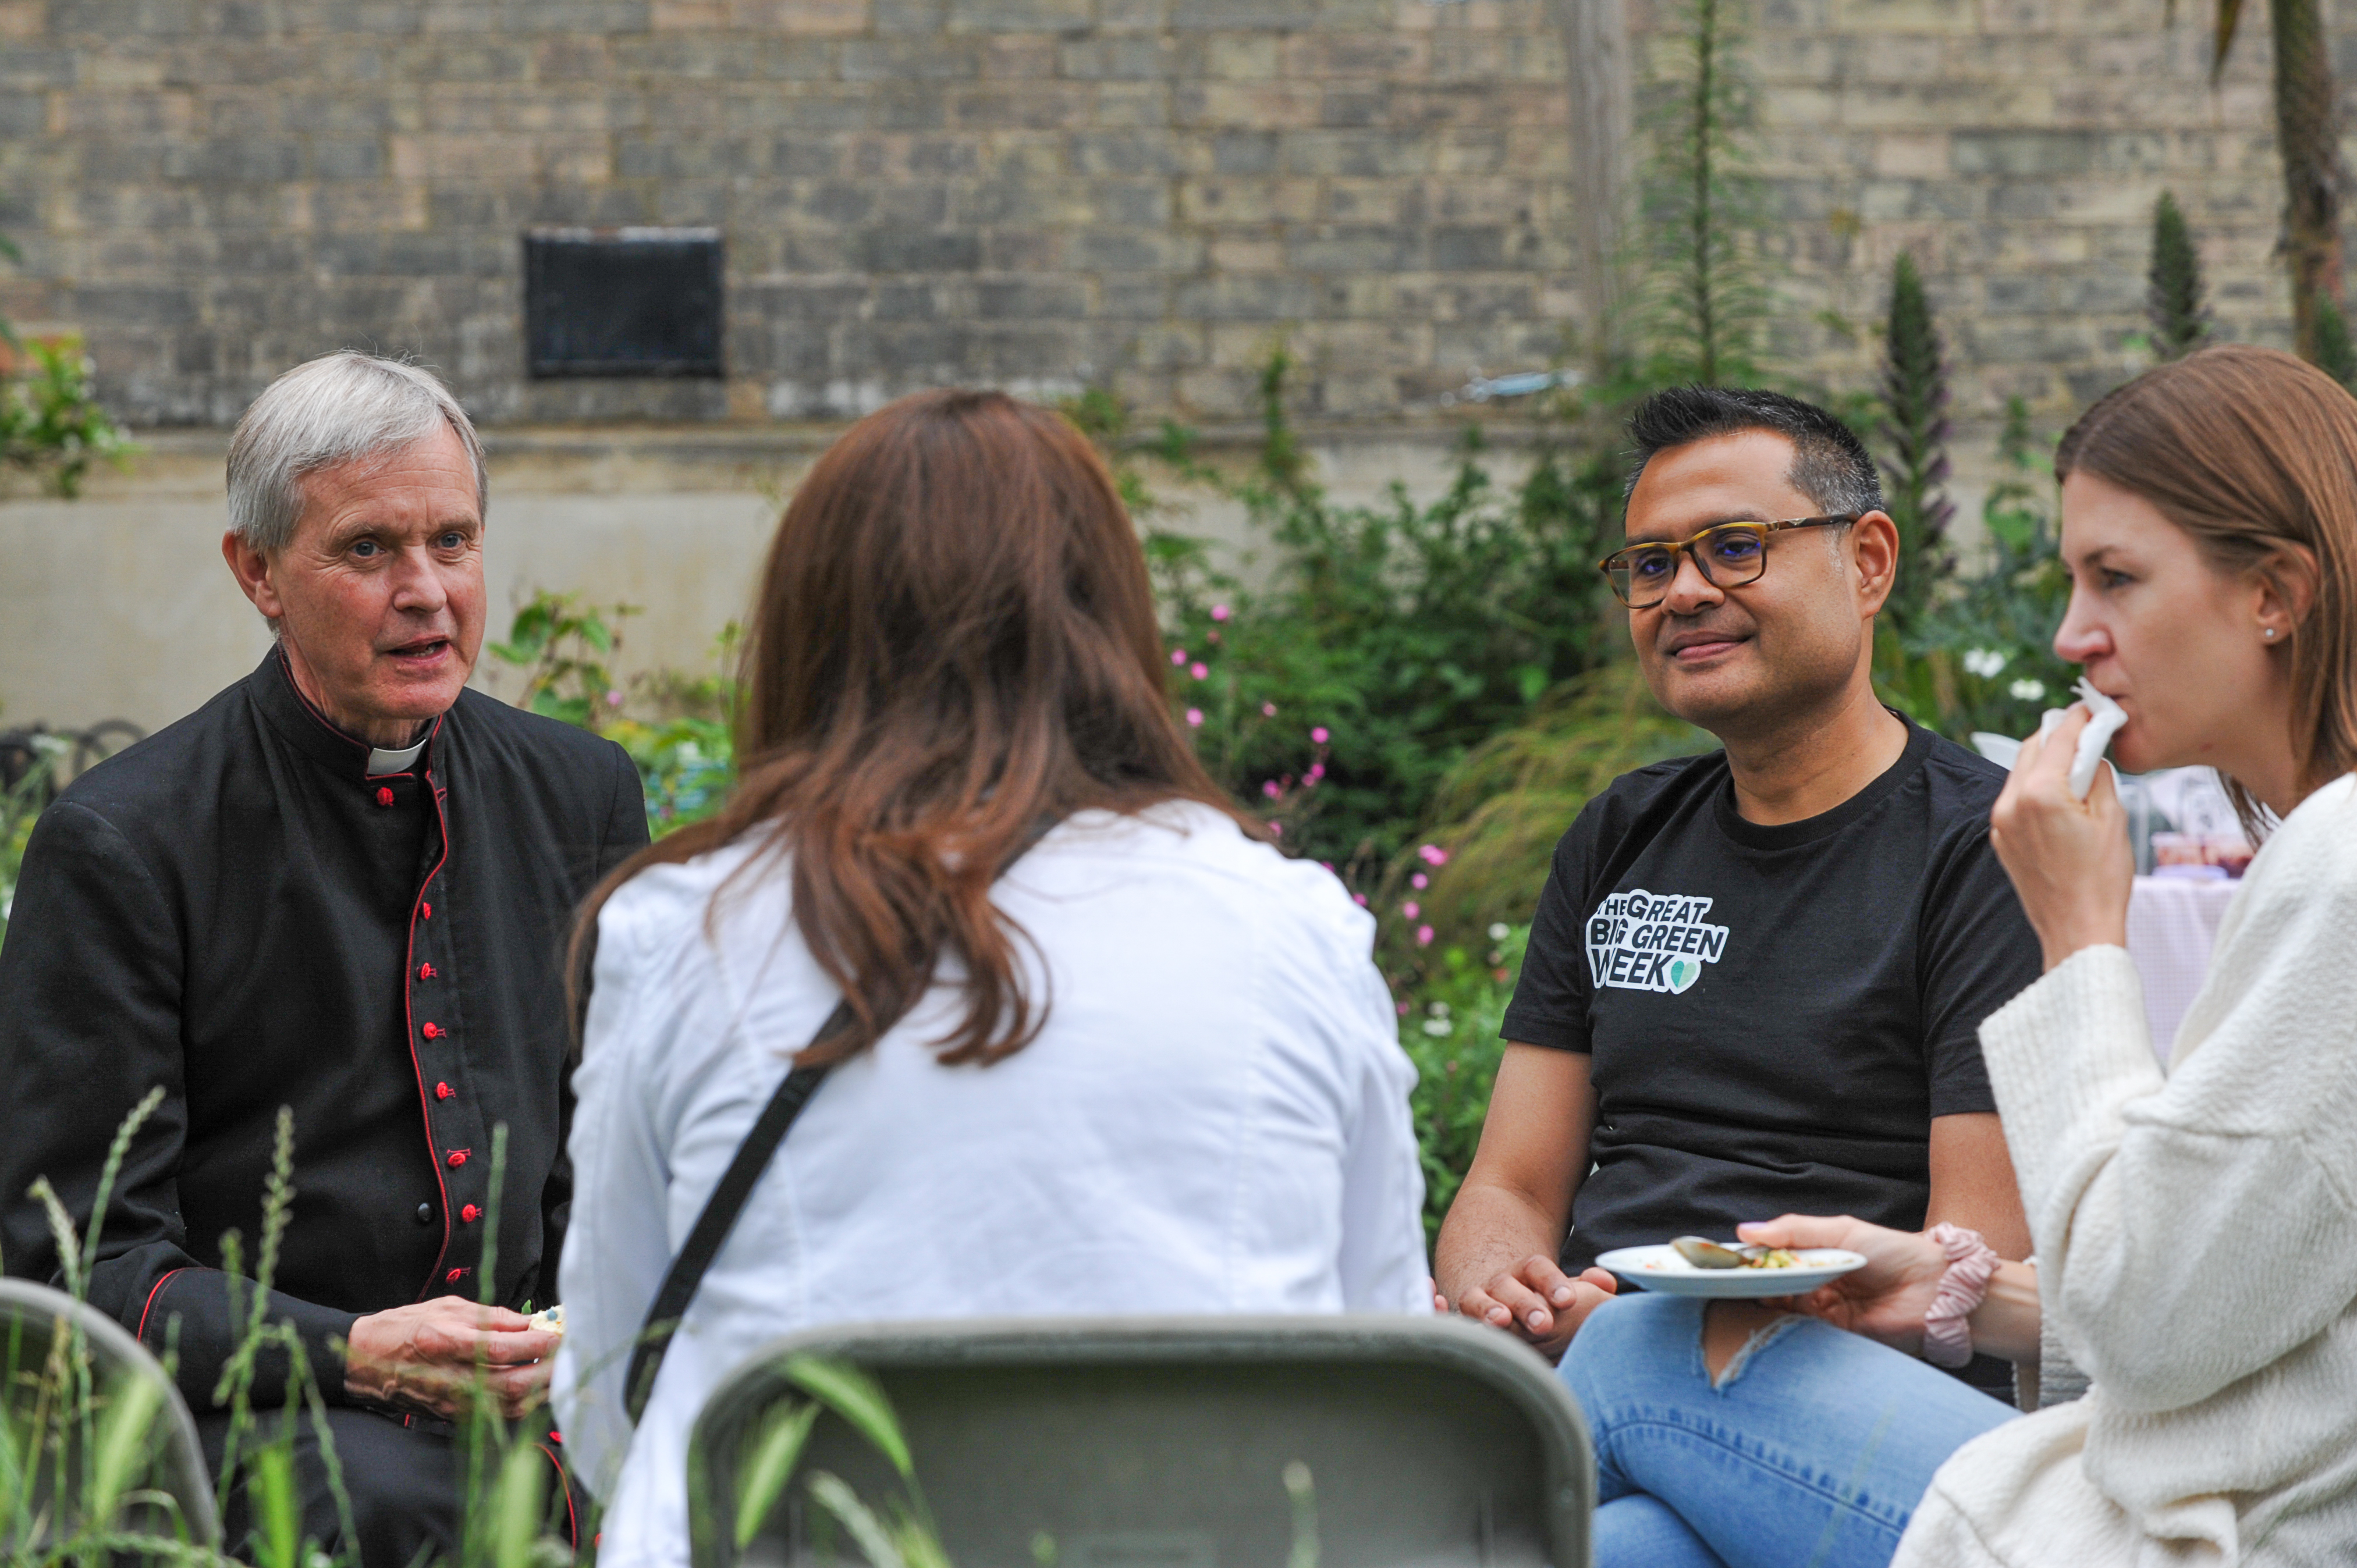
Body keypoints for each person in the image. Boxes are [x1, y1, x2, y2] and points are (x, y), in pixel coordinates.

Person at [551, 389, 1429, 1565]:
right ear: (1107, 618)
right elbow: (1381, 1370)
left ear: (811, 630)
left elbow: (616, 1400)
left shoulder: (686, 934)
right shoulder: (1293, 930)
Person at [1557, 343, 2357, 1566]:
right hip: (2202, 1497)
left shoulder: (2338, 869)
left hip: (2202, 1537)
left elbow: (2149, 1327)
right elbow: (2242, 1296)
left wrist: (2083, 935)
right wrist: (1956, 1288)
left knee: (1642, 1348)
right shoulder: (2322, 856)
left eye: (2118, 579)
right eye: (1651, 563)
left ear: (2276, 594)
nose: (2071, 636)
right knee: (1635, 1549)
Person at [0, 353, 648, 1563]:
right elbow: (78, 1260)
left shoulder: (581, 792)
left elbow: (611, 1152)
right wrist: (350, 1349)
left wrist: (579, 1334)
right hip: (276, 1419)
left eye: (453, 541)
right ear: (258, 571)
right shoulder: (125, 844)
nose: (426, 591)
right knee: (382, 1497)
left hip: (554, 1399)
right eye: (368, 550)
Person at [1435, 387, 2040, 1399]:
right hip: (1604, 1367)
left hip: (1852, 1391)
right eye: (1651, 563)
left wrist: (1641, 1339)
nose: (1682, 593)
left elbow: (1971, 1257)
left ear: (1869, 563)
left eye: (1733, 546)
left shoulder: (1987, 847)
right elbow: (1509, 1183)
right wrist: (1509, 1295)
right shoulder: (1621, 837)